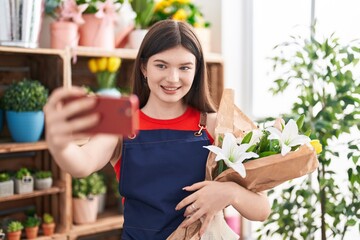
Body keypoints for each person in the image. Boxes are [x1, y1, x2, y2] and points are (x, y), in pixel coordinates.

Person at [44, 19, 271, 239]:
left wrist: (229, 192)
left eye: (184, 67)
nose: (172, 78)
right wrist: (60, 143)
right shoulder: (122, 123)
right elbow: (82, 163)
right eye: (161, 65)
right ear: (144, 67)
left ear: (197, 70)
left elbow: (261, 209)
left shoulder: (216, 124)